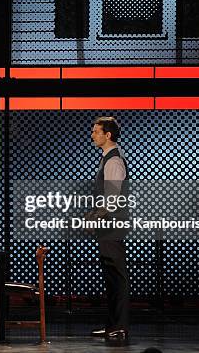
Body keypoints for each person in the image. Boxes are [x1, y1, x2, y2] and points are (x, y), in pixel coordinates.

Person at [88, 117, 130, 341]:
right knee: (111, 277)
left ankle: (120, 326)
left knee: (117, 277)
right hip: (108, 226)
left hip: (113, 226)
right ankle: (112, 325)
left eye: (96, 132)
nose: (93, 135)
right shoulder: (108, 159)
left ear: (108, 135)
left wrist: (94, 217)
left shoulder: (113, 161)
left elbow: (112, 200)